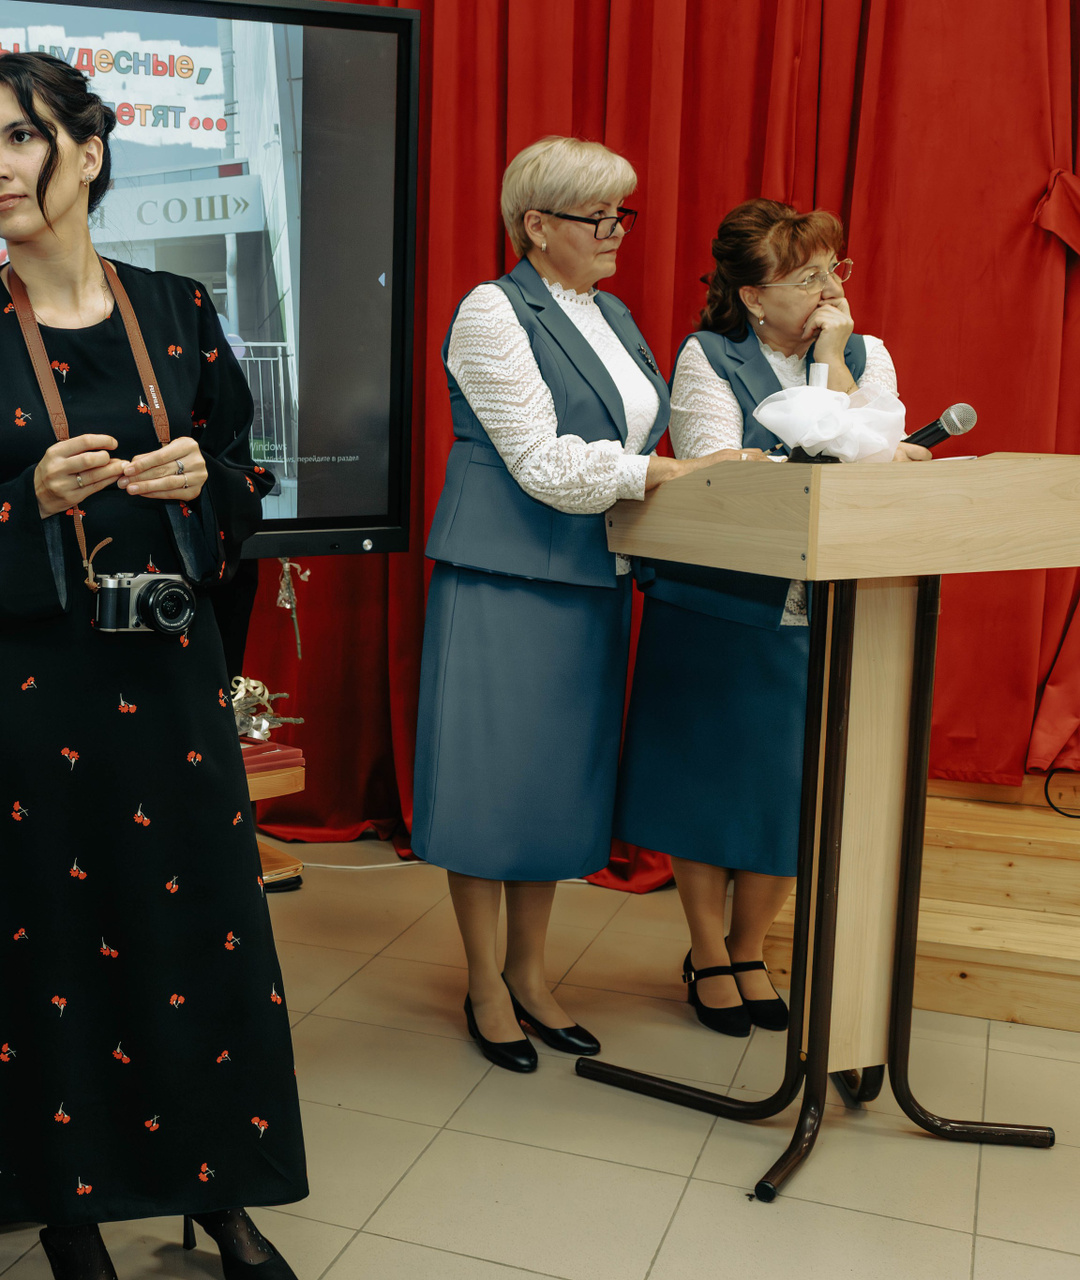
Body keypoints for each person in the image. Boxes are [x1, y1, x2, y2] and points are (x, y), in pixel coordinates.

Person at [0, 52, 307, 1280]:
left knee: (196, 938)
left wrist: (204, 479)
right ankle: (66, 1209)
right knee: (43, 948)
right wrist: (25, 501)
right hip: (20, 701)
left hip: (167, 685)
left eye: (17, 138)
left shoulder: (179, 310)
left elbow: (246, 481)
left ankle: (218, 1188)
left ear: (90, 151)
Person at [410, 137, 768, 1075]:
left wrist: (720, 459)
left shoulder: (610, 313)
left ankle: (531, 976)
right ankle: (485, 984)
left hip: (591, 577)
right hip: (504, 580)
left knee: (552, 790)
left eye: (622, 215)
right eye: (597, 216)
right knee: (492, 787)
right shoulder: (493, 309)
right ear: (536, 225)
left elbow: (653, 435)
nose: (617, 232)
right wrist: (661, 473)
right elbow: (540, 460)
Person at [614, 199, 927, 1036]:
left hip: (824, 605)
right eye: (808, 276)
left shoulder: (865, 353)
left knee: (794, 791)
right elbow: (723, 473)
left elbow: (868, 464)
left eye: (834, 269)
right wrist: (855, 452)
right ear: (753, 295)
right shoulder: (707, 356)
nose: (831, 288)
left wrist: (829, 365)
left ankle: (748, 948)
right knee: (706, 786)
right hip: (719, 603)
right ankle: (706, 949)